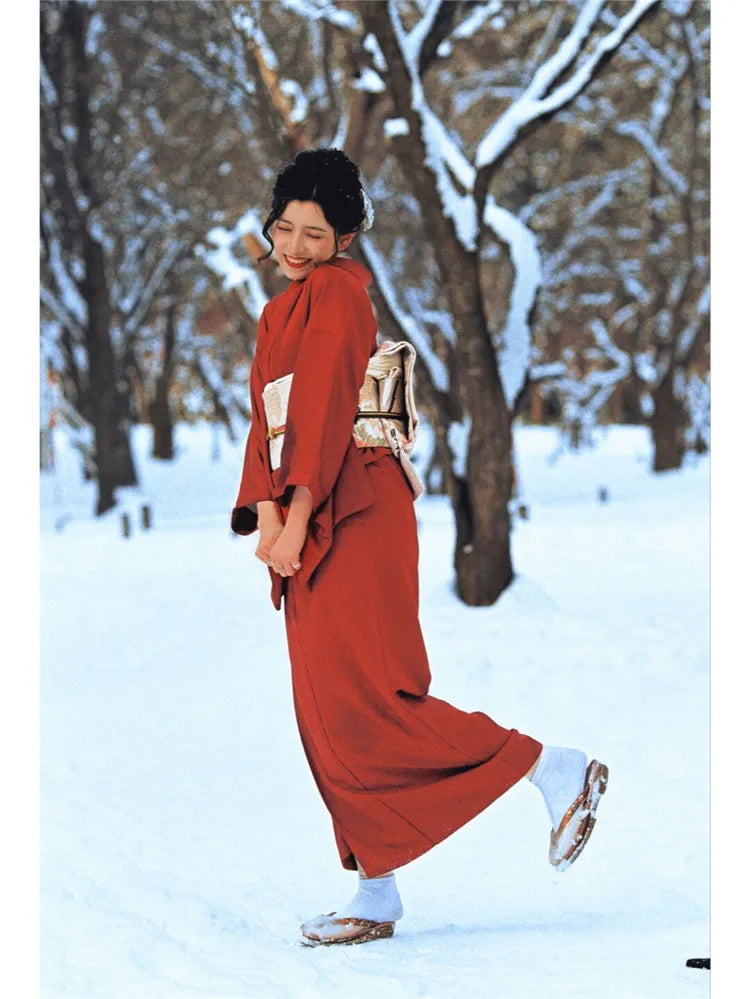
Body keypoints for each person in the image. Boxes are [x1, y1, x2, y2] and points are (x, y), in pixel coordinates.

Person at [231, 148, 608, 947]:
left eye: (316, 231)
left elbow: (330, 407)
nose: (295, 245)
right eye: (284, 227)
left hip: (354, 507)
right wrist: (266, 513)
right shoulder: (277, 312)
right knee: (330, 707)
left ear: (346, 238)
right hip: (315, 502)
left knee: (370, 699)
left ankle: (551, 766)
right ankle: (376, 889)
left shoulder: (335, 294)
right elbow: (269, 426)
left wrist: (294, 517)